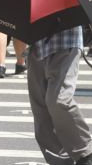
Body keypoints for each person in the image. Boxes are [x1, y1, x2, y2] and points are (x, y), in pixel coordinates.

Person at [27, 26, 92, 165]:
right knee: (41, 110)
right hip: (37, 43)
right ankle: (60, 161)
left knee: (59, 100)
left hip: (65, 39)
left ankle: (85, 153)